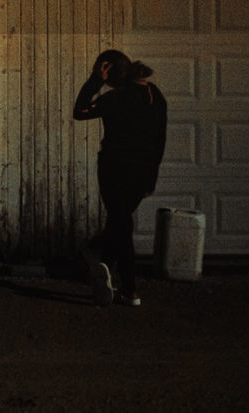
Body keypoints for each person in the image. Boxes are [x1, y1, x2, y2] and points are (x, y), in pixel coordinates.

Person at [73, 49, 167, 307]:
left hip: (114, 169)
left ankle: (129, 288)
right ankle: (106, 269)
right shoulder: (154, 97)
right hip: (142, 173)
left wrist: (95, 81)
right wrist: (151, 179)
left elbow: (80, 111)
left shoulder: (114, 98)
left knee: (120, 224)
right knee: (120, 222)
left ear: (108, 73)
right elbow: (160, 142)